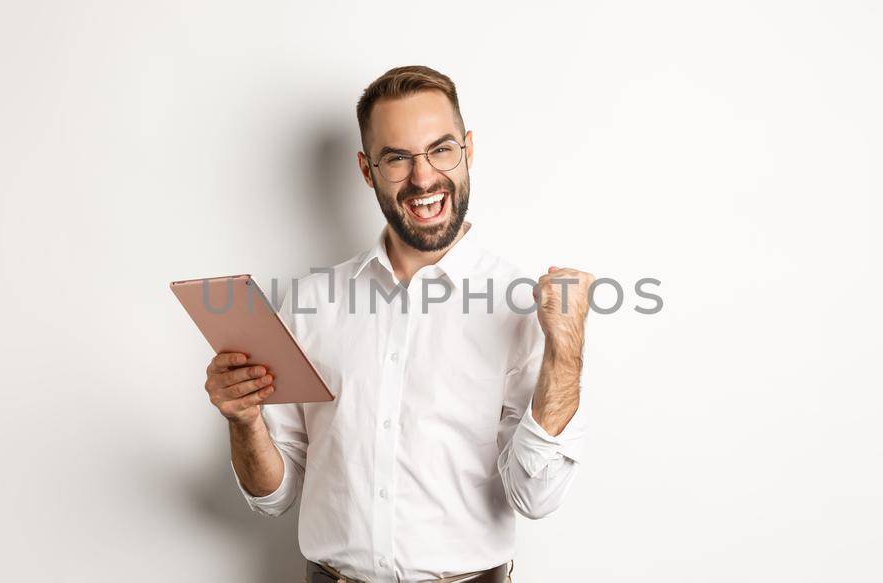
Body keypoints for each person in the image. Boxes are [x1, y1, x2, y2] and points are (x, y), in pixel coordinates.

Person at [200, 65, 592, 583]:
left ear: (468, 150)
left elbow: (535, 498)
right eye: (397, 158)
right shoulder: (311, 301)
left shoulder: (524, 307)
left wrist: (565, 352)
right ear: (367, 170)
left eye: (441, 149)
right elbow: (275, 497)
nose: (424, 177)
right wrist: (244, 422)